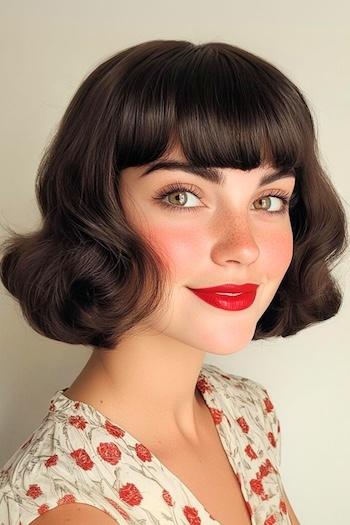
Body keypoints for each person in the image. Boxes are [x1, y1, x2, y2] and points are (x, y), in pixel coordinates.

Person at [0, 39, 348, 525]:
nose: (243, 246)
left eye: (269, 200)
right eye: (182, 196)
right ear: (96, 212)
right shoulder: (74, 507)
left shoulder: (245, 410)